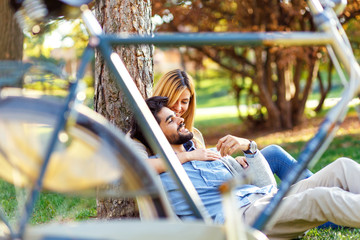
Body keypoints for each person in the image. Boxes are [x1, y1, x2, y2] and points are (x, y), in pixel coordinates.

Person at [131, 96, 360, 240]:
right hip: (240, 220)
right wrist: (188, 156)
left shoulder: (209, 155)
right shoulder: (160, 175)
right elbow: (134, 168)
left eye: (176, 115)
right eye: (170, 120)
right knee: (321, 197)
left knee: (342, 167)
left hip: (266, 199)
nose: (180, 118)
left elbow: (267, 186)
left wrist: (249, 148)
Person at [132, 69, 313, 182]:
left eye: (185, 101)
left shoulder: (192, 134)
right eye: (173, 100)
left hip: (226, 179)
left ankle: (329, 192)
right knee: (292, 196)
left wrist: (232, 163)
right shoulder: (143, 134)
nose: (178, 108)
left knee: (273, 153)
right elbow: (138, 167)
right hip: (216, 196)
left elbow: (206, 169)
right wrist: (189, 156)